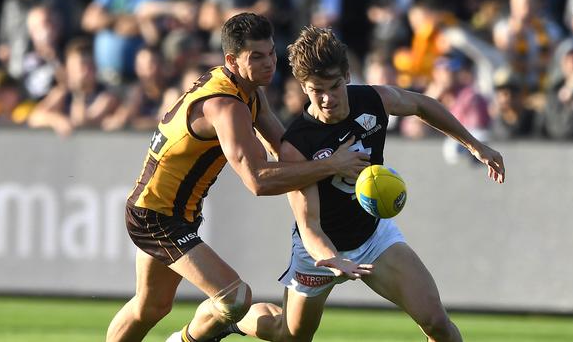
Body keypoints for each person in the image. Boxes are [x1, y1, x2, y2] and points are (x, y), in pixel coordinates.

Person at [216, 26, 505, 342]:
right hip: (320, 252)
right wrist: (332, 259)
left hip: (373, 237)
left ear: (348, 76)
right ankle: (235, 323)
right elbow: (309, 226)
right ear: (302, 87)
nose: (327, 98)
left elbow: (422, 105)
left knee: (437, 322)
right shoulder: (297, 145)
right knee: (289, 334)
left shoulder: (372, 100)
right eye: (316, 90)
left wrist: (475, 145)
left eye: (334, 86)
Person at [105, 13, 369, 342]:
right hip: (157, 216)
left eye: (271, 53)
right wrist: (332, 166)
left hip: (170, 212)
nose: (269, 63)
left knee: (151, 307)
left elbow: (284, 147)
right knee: (235, 298)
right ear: (232, 60)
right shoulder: (226, 105)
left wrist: (327, 157)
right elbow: (258, 180)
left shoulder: (246, 89)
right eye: (256, 57)